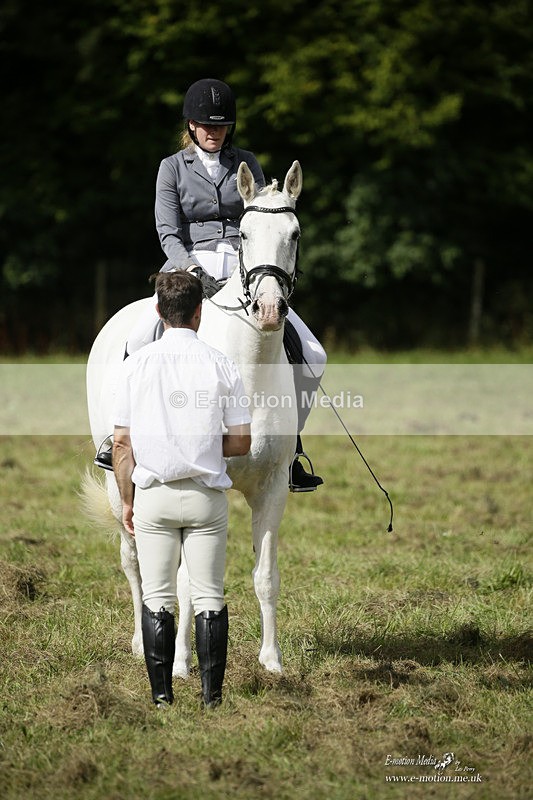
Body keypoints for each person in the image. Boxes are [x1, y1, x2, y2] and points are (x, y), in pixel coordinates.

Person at [97, 77, 326, 490]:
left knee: (313, 353)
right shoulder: (171, 168)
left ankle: (291, 450)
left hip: (245, 266)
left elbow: (259, 215)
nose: (214, 131)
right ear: (191, 126)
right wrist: (191, 269)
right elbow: (168, 231)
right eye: (206, 125)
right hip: (188, 264)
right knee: (137, 339)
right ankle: (115, 438)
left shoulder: (247, 161)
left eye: (221, 125)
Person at [112, 270, 251, 708]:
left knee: (157, 597)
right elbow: (242, 441)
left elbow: (120, 442)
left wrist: (129, 501)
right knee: (210, 595)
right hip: (206, 498)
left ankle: (161, 698)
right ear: (199, 312)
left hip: (153, 494)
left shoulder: (135, 364)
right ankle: (211, 699)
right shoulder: (222, 364)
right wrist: (203, 444)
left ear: (157, 311)